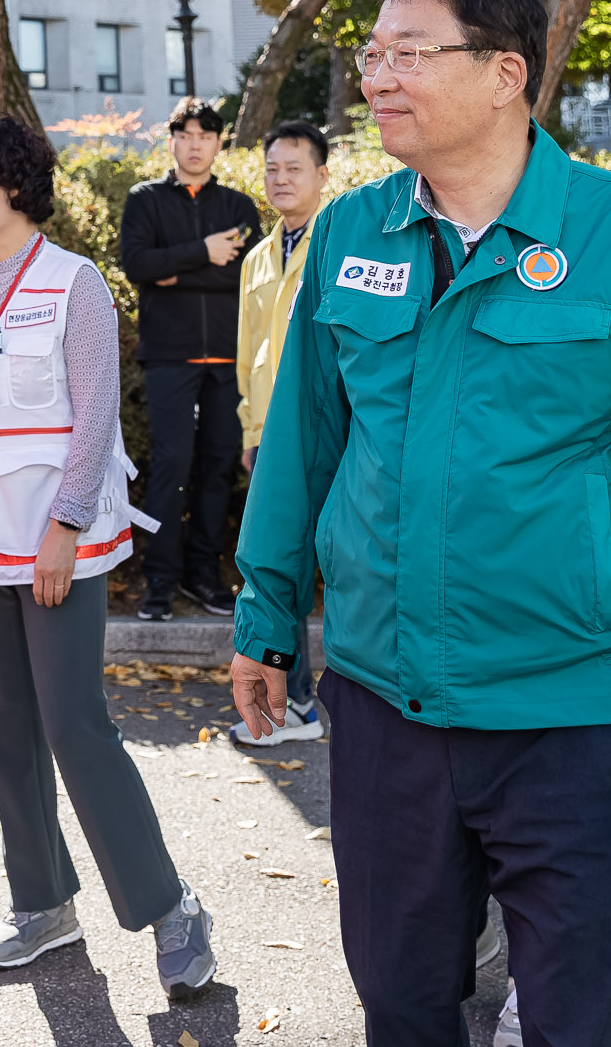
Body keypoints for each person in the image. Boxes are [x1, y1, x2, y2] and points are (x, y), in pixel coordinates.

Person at [231, 0, 611, 1045]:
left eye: (409, 52)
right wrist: (265, 614)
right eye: (370, 54)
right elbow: (304, 444)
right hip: (384, 705)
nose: (377, 77)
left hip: (574, 720)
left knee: (592, 1019)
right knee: (401, 1002)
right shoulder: (351, 234)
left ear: (503, 73)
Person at [0, 112, 218, 1002]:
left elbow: (95, 414)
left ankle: (171, 907)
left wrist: (66, 529)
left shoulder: (75, 284)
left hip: (53, 546)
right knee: (7, 727)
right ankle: (44, 902)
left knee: (75, 724)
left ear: (15, 184)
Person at [120, 96, 262, 620]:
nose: (196, 144)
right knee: (172, 466)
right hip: (169, 357)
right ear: (173, 140)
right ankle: (158, 579)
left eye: (206, 135)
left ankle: (204, 575)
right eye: (187, 135)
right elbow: (136, 262)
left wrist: (174, 272)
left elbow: (246, 274)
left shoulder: (239, 208)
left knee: (218, 467)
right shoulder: (145, 200)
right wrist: (203, 251)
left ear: (219, 143)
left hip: (228, 358)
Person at [230, 117, 330, 749]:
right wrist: (249, 426)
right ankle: (292, 703)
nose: (281, 178)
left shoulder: (337, 245)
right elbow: (249, 355)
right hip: (272, 435)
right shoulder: (261, 256)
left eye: (295, 167)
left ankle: (319, 702)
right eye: (272, 168)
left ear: (323, 175)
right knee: (278, 570)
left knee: (338, 566)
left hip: (328, 433)